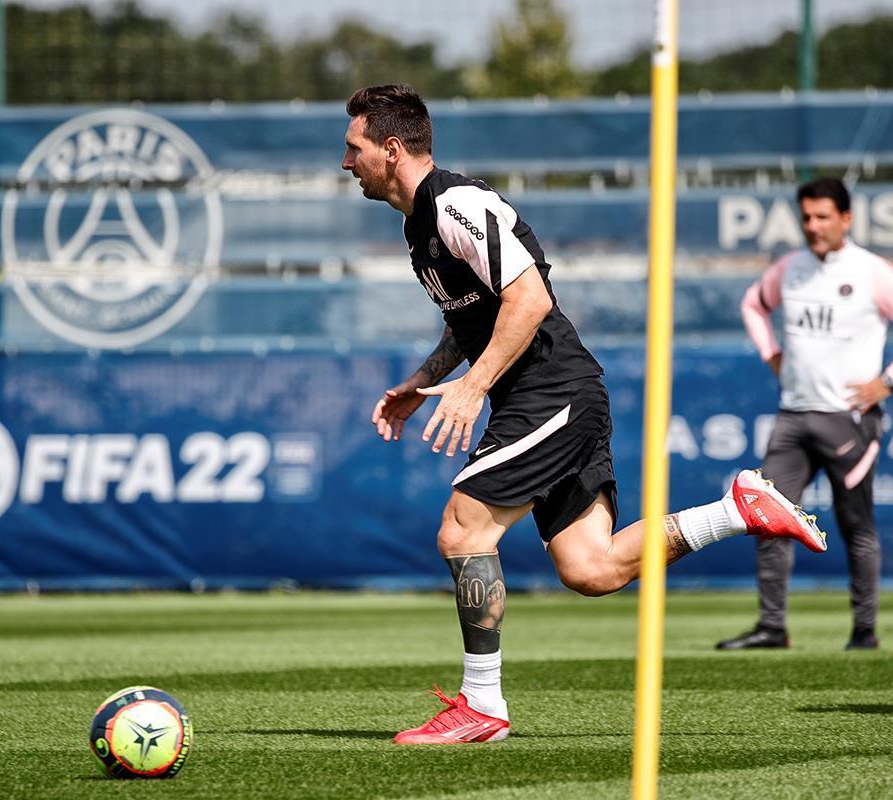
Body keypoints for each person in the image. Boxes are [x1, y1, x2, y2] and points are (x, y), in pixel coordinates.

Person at [342, 84, 828, 745]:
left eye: (355, 148)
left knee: (462, 531)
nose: (347, 163)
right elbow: (472, 318)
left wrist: (473, 387)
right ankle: (736, 509)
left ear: (391, 149)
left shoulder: (456, 205)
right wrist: (425, 379)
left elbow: (530, 300)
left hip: (551, 391)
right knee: (590, 568)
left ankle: (482, 706)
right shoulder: (418, 224)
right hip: (552, 395)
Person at [717, 177, 893, 652]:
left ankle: (864, 632)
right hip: (793, 416)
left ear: (846, 218)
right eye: (806, 217)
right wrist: (771, 354)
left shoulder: (872, 271)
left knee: (856, 525)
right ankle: (772, 627)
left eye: (823, 217)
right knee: (767, 518)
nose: (813, 226)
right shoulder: (790, 268)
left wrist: (889, 380)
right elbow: (752, 305)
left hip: (849, 420)